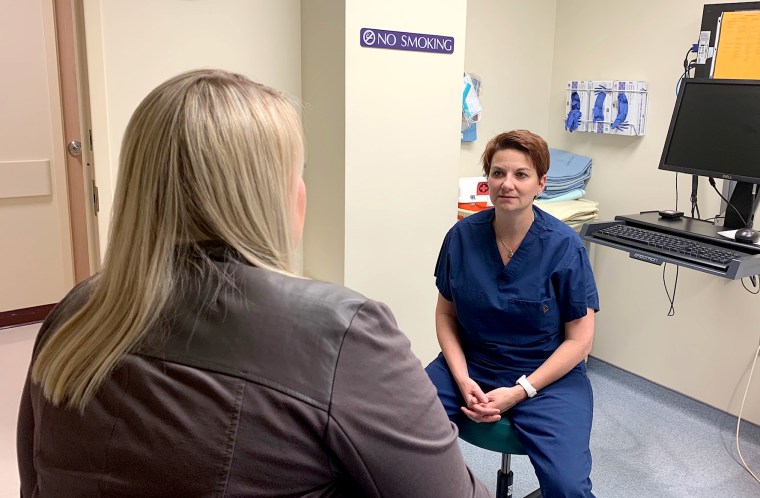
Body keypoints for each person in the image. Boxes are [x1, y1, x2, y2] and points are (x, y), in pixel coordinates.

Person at [17, 69, 491, 497]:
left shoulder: (77, 310)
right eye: (296, 174)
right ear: (271, 195)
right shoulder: (340, 332)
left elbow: (34, 480)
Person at [425, 130, 599, 498]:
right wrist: (461, 377)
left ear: (541, 184)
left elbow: (580, 341)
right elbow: (446, 315)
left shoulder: (564, 247)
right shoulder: (461, 236)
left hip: (548, 376)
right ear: (487, 180)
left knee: (567, 486)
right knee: (399, 443)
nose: (508, 183)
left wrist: (521, 391)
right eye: (498, 173)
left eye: (521, 174)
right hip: (473, 361)